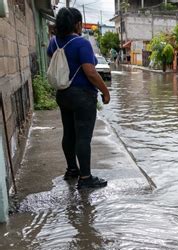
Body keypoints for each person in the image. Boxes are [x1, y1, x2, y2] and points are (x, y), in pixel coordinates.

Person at [47, 7, 110, 189]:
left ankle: (72, 170)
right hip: (82, 96)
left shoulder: (54, 42)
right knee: (83, 137)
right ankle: (85, 178)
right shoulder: (81, 43)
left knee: (69, 133)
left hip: (63, 94)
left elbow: (53, 59)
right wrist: (105, 91)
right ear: (77, 24)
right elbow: (90, 72)